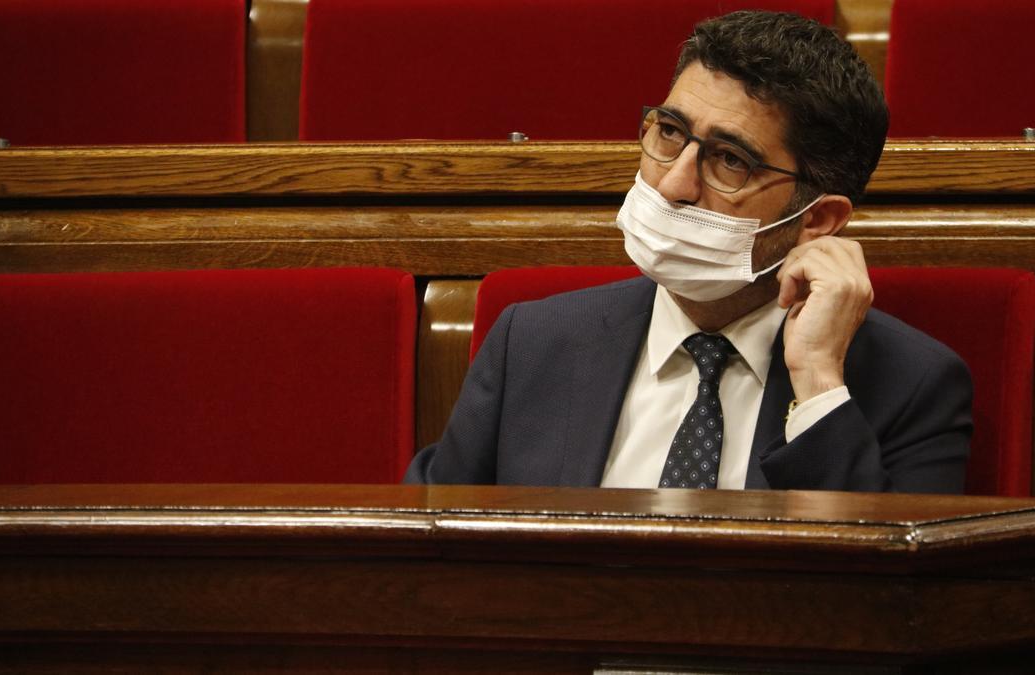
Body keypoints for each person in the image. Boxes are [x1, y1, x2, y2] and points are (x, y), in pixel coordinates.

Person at [405, 10, 971, 492]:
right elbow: (428, 559)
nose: (673, 184)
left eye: (730, 160)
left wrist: (818, 380)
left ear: (817, 220)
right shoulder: (531, 343)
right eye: (670, 132)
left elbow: (880, 603)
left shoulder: (912, 385)